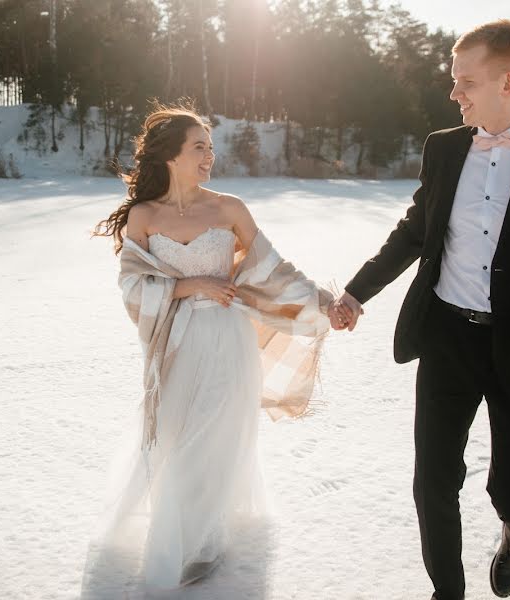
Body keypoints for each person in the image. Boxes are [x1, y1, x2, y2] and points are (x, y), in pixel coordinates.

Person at [330, 20, 510, 600]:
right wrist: (356, 292)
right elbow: (414, 232)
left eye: (464, 81)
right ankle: (449, 592)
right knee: (432, 483)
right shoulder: (443, 148)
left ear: (508, 81)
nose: (453, 93)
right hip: (446, 337)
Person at [86, 102, 337, 594]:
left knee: (216, 434)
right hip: (174, 345)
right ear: (171, 155)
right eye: (199, 147)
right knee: (177, 435)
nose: (209, 157)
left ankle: (201, 542)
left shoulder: (229, 208)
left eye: (211, 147)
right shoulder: (143, 216)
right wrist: (190, 284)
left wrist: (323, 300)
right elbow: (133, 287)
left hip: (228, 338)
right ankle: (178, 529)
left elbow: (273, 270)